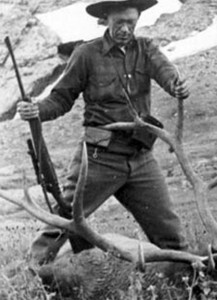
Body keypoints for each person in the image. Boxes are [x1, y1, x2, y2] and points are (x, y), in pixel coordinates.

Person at [17, 0, 190, 265]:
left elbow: (167, 74)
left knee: (172, 237)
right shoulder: (86, 54)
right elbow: (61, 98)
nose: (125, 29)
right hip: (99, 158)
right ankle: (31, 274)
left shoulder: (147, 49)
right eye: (119, 22)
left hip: (140, 158)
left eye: (131, 23)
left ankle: (191, 283)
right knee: (63, 223)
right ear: (105, 19)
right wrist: (37, 110)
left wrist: (176, 86)